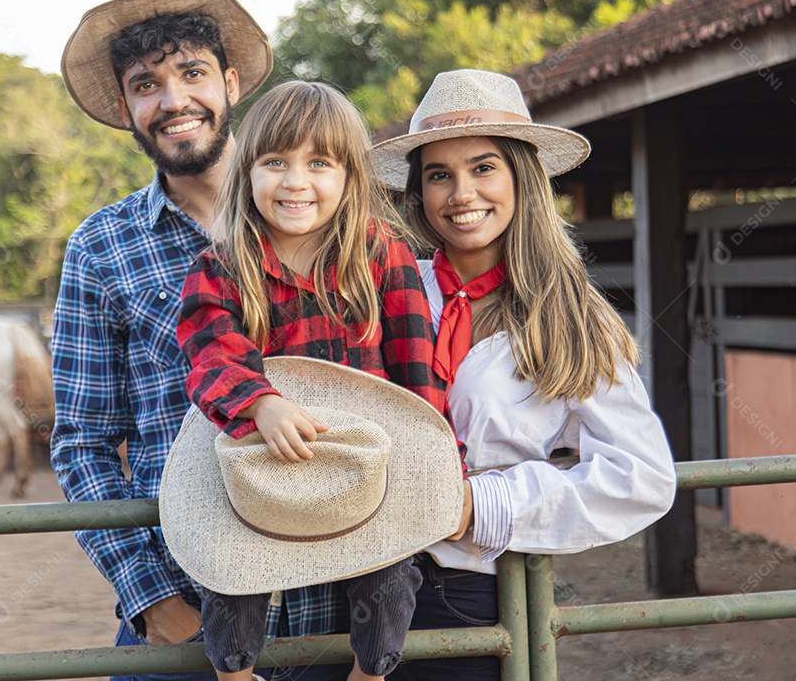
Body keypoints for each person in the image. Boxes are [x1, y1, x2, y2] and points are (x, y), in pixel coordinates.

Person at [372, 69, 678, 681]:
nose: (461, 193)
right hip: (354, 581)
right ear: (419, 192)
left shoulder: (570, 317)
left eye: (483, 168)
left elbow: (642, 477)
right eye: (439, 175)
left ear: (521, 177)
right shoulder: (384, 290)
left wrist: (479, 505)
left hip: (468, 593)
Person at [174, 81, 458, 681]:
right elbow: (209, 350)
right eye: (274, 162)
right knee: (232, 565)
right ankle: (232, 672)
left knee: (388, 569)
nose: (295, 181)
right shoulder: (223, 266)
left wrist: (433, 457)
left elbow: (415, 367)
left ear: (350, 177)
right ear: (246, 173)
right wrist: (260, 403)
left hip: (362, 459)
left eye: (319, 163)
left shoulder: (382, 255)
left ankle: (370, 671)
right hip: (260, 459)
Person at [50, 0, 280, 681]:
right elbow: (83, 443)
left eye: (192, 72)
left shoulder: (313, 207)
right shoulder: (102, 245)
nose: (174, 100)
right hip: (186, 598)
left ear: (231, 82)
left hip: (331, 597)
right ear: (126, 106)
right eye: (147, 84)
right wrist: (151, 601)